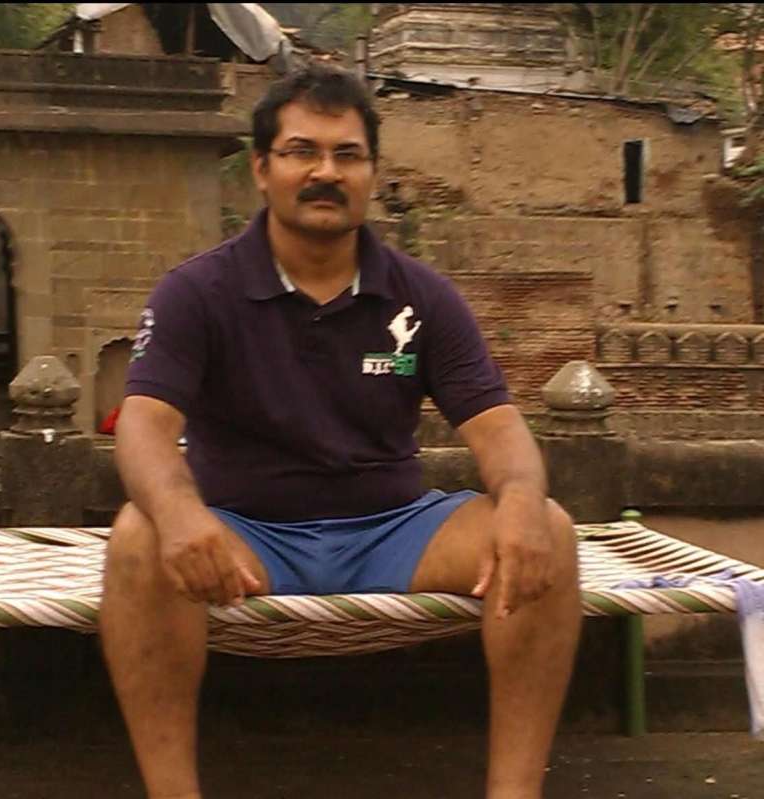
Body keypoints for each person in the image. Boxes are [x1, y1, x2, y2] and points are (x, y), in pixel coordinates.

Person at [100, 63, 581, 799]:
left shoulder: (422, 297)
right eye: (302, 151)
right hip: (244, 534)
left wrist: (519, 499)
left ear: (372, 173)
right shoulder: (198, 292)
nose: (326, 172)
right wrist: (179, 512)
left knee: (547, 528)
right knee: (138, 536)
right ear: (261, 169)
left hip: (392, 529)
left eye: (347, 155)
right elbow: (143, 424)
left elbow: (498, 428)